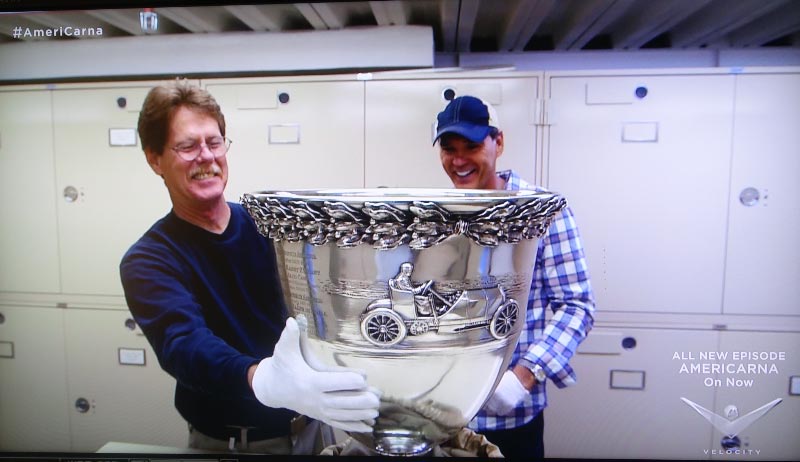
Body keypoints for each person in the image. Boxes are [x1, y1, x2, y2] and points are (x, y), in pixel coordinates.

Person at [119, 80, 380, 454]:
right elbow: (184, 344)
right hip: (233, 445)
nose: (207, 157)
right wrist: (262, 379)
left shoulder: (271, 230)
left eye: (214, 142)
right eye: (188, 146)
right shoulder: (150, 259)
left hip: (311, 431)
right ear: (155, 159)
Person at [433, 95, 596, 459]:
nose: (458, 160)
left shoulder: (542, 211)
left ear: (499, 142)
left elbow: (577, 306)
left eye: (471, 146)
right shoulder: (438, 211)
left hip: (511, 421)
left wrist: (523, 377)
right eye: (449, 149)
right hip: (445, 418)